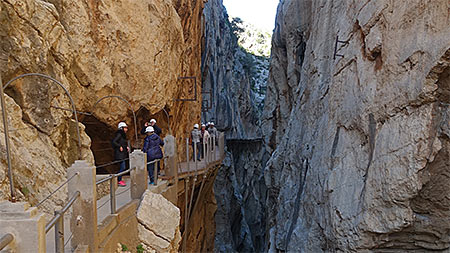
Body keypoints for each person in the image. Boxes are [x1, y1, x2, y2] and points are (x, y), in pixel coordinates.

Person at [112, 122, 130, 187]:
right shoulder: (119, 134)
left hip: (122, 154)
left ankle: (119, 179)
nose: (126, 129)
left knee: (122, 167)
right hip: (120, 154)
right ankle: (119, 180)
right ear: (121, 128)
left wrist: (126, 147)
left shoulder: (122, 135)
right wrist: (119, 146)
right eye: (125, 128)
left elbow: (123, 143)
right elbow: (114, 141)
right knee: (122, 167)